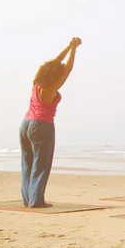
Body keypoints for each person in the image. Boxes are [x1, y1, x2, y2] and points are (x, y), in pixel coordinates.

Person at [19, 37, 82, 208]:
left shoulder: (36, 83)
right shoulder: (51, 88)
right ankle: (36, 201)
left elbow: (55, 62)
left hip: (25, 124)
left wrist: (69, 46)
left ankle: (28, 199)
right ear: (55, 75)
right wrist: (74, 49)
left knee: (27, 162)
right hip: (41, 125)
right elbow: (67, 69)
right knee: (41, 163)